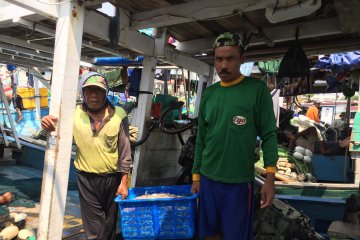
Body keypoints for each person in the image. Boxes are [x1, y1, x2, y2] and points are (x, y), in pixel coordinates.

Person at [191, 32, 278, 240]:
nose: (223, 65)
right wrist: (196, 176)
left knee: (235, 235)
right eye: (219, 59)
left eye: (230, 58)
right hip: (208, 179)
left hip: (239, 183)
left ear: (242, 59)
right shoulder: (210, 94)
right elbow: (201, 139)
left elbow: (269, 135)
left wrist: (270, 179)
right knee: (207, 234)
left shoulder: (256, 90)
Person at [41, 72, 131, 240]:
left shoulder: (120, 114)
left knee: (109, 226)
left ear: (106, 92)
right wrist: (46, 123)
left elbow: (125, 151)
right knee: (94, 230)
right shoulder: (73, 113)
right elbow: (51, 126)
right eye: (89, 90)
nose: (94, 95)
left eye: (98, 90)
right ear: (83, 93)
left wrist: (124, 182)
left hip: (113, 179)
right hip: (86, 179)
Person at [283, 126, 350, 155]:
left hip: (312, 147)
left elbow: (324, 152)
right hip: (315, 142)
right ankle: (294, 137)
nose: (344, 141)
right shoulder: (338, 144)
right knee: (312, 129)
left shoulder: (337, 148)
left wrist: (321, 143)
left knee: (295, 139)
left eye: (344, 142)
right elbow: (347, 139)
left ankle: (292, 138)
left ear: (343, 146)